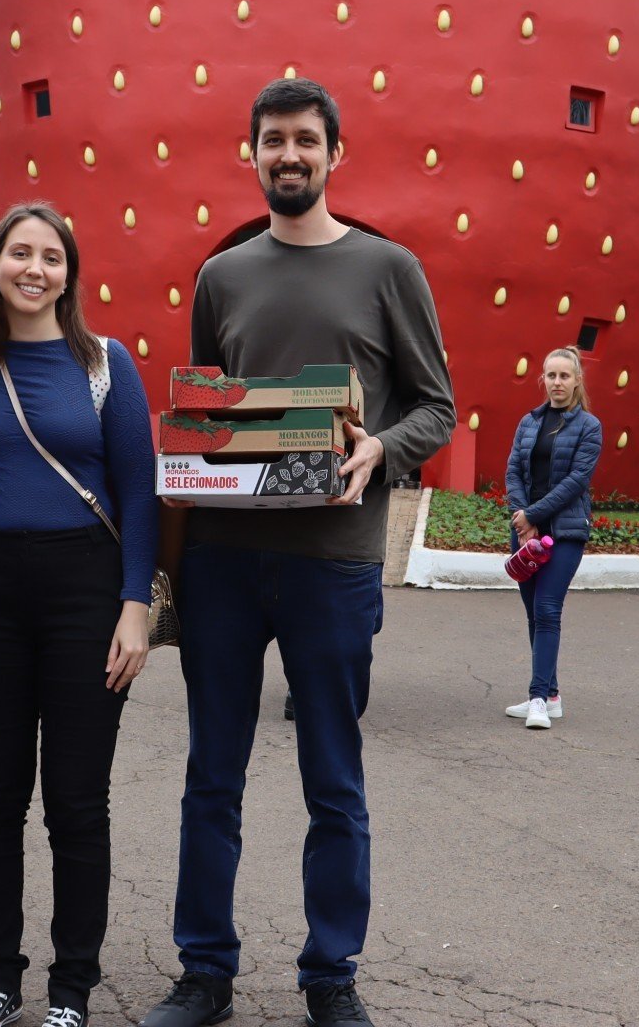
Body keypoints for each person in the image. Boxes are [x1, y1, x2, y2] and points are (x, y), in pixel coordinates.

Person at [142, 78, 455, 1027]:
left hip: (335, 560)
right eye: (273, 140)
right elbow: (206, 412)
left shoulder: (389, 267)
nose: (289, 155)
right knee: (211, 776)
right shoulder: (222, 276)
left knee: (334, 776)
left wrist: (380, 447)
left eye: (306, 141)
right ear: (253, 153)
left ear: (333, 153)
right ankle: (205, 972)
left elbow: (436, 405)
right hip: (226, 562)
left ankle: (331, 975)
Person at [0, 202, 157, 1027]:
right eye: (19, 254)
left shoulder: (105, 363)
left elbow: (140, 490)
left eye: (52, 257)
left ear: (70, 273)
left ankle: (72, 989)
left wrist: (135, 606)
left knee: (77, 797)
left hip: (86, 588)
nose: (34, 269)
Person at [501, 348, 603, 730]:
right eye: (550, 376)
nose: (557, 382)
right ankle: (552, 695)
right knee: (533, 613)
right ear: (541, 379)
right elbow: (513, 470)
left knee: (547, 609)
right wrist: (522, 517)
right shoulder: (529, 423)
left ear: (577, 381)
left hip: (565, 532)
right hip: (527, 533)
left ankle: (538, 698)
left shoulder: (589, 426)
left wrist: (534, 515)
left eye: (564, 376)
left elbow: (576, 480)